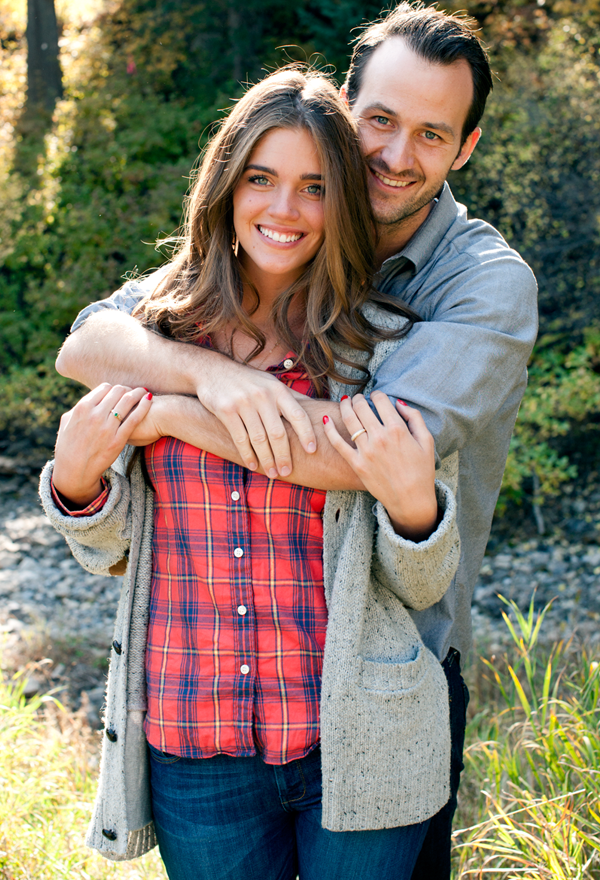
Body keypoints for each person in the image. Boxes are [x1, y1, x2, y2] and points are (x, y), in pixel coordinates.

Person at [53, 4, 539, 875]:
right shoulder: (238, 277)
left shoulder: (475, 288)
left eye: (431, 134)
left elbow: (362, 456)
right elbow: (90, 342)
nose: (394, 154)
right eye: (380, 120)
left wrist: (165, 409)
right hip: (203, 721)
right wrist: (210, 375)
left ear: (464, 148)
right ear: (347, 108)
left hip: (404, 663)